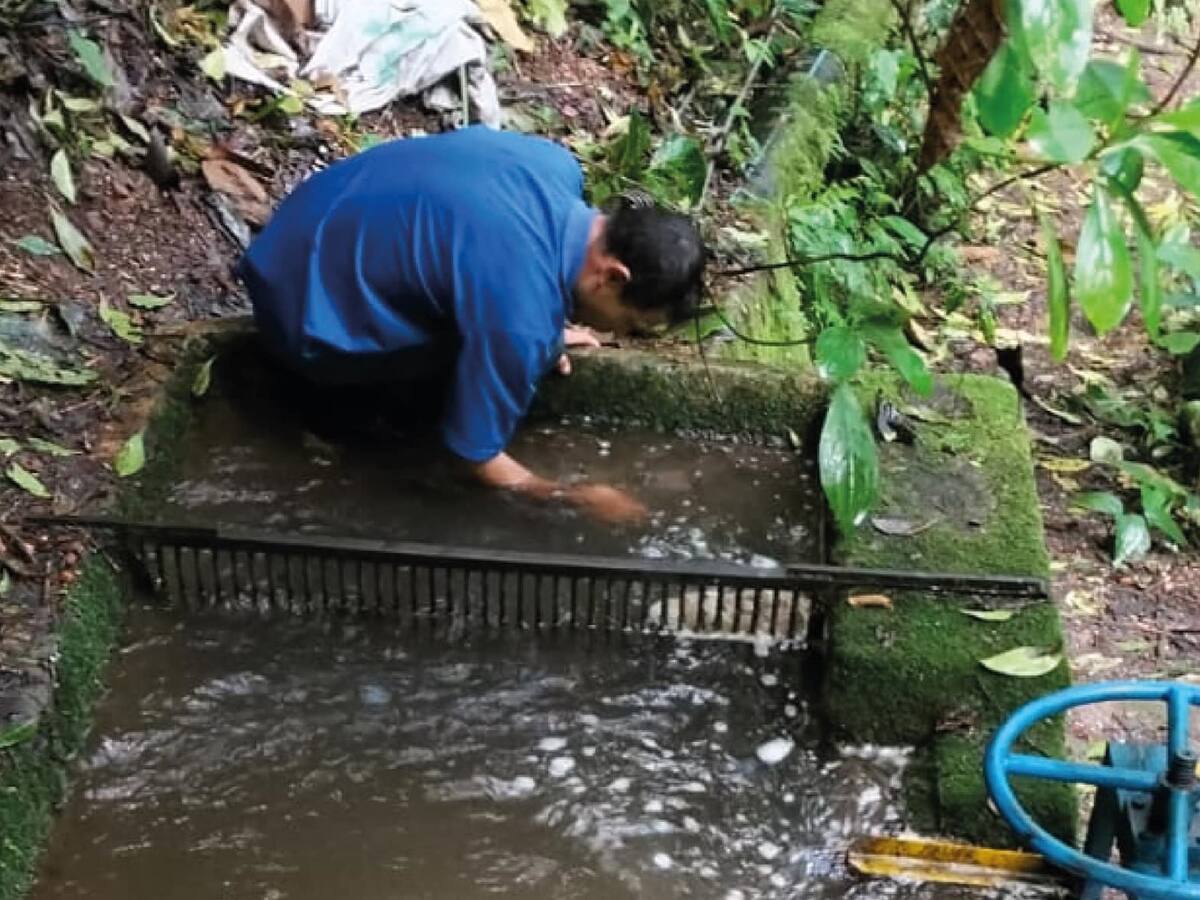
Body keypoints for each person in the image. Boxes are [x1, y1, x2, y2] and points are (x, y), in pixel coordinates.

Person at [236, 125, 705, 525]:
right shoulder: (521, 321)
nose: (617, 336)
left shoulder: (554, 164)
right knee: (451, 417)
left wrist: (536, 330)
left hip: (296, 230)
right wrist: (573, 497)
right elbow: (473, 456)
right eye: (630, 324)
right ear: (613, 277)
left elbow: (486, 258)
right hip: (299, 318)